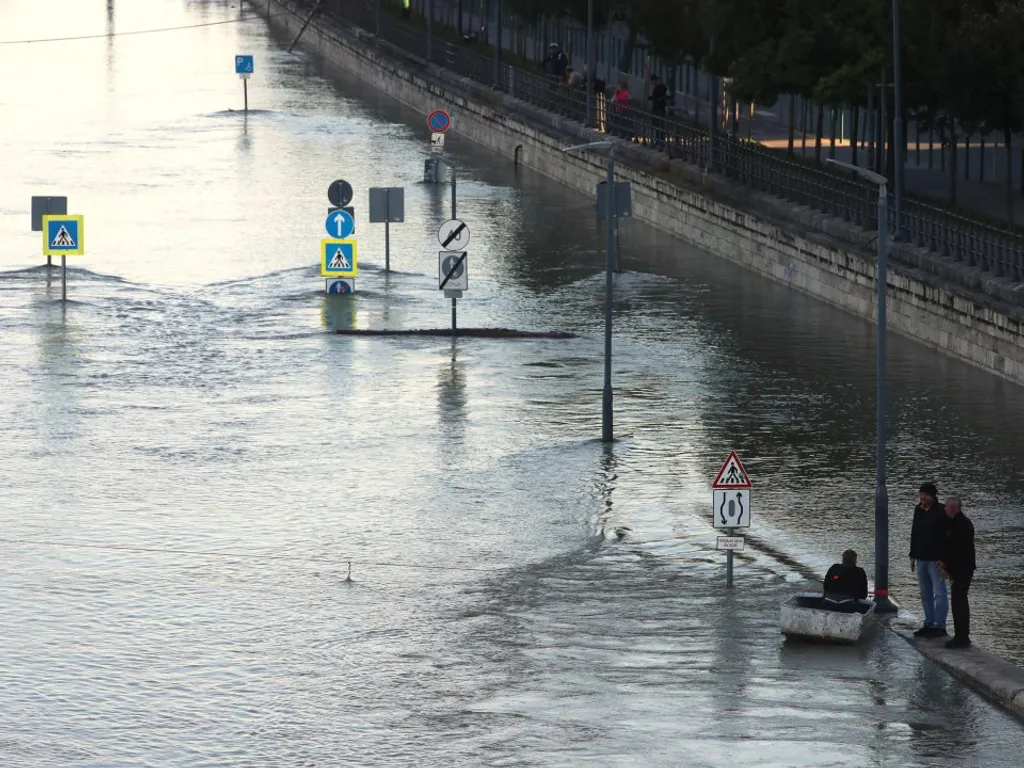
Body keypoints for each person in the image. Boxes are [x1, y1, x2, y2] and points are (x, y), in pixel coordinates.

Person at [909, 482, 950, 638]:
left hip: (936, 559)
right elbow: (915, 532)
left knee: (940, 593)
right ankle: (928, 623)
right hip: (920, 558)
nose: (922, 497)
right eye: (921, 494)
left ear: (933, 496)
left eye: (925, 495)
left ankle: (940, 626)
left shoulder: (941, 511)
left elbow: (947, 536)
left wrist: (945, 559)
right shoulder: (918, 510)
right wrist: (912, 555)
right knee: (925, 592)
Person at [939, 497, 975, 649]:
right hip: (960, 569)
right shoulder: (955, 523)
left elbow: (958, 550)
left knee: (959, 602)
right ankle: (961, 634)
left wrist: (947, 568)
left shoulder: (961, 524)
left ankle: (962, 636)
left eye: (946, 507)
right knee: (958, 601)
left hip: (962, 570)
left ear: (953, 508)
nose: (945, 509)